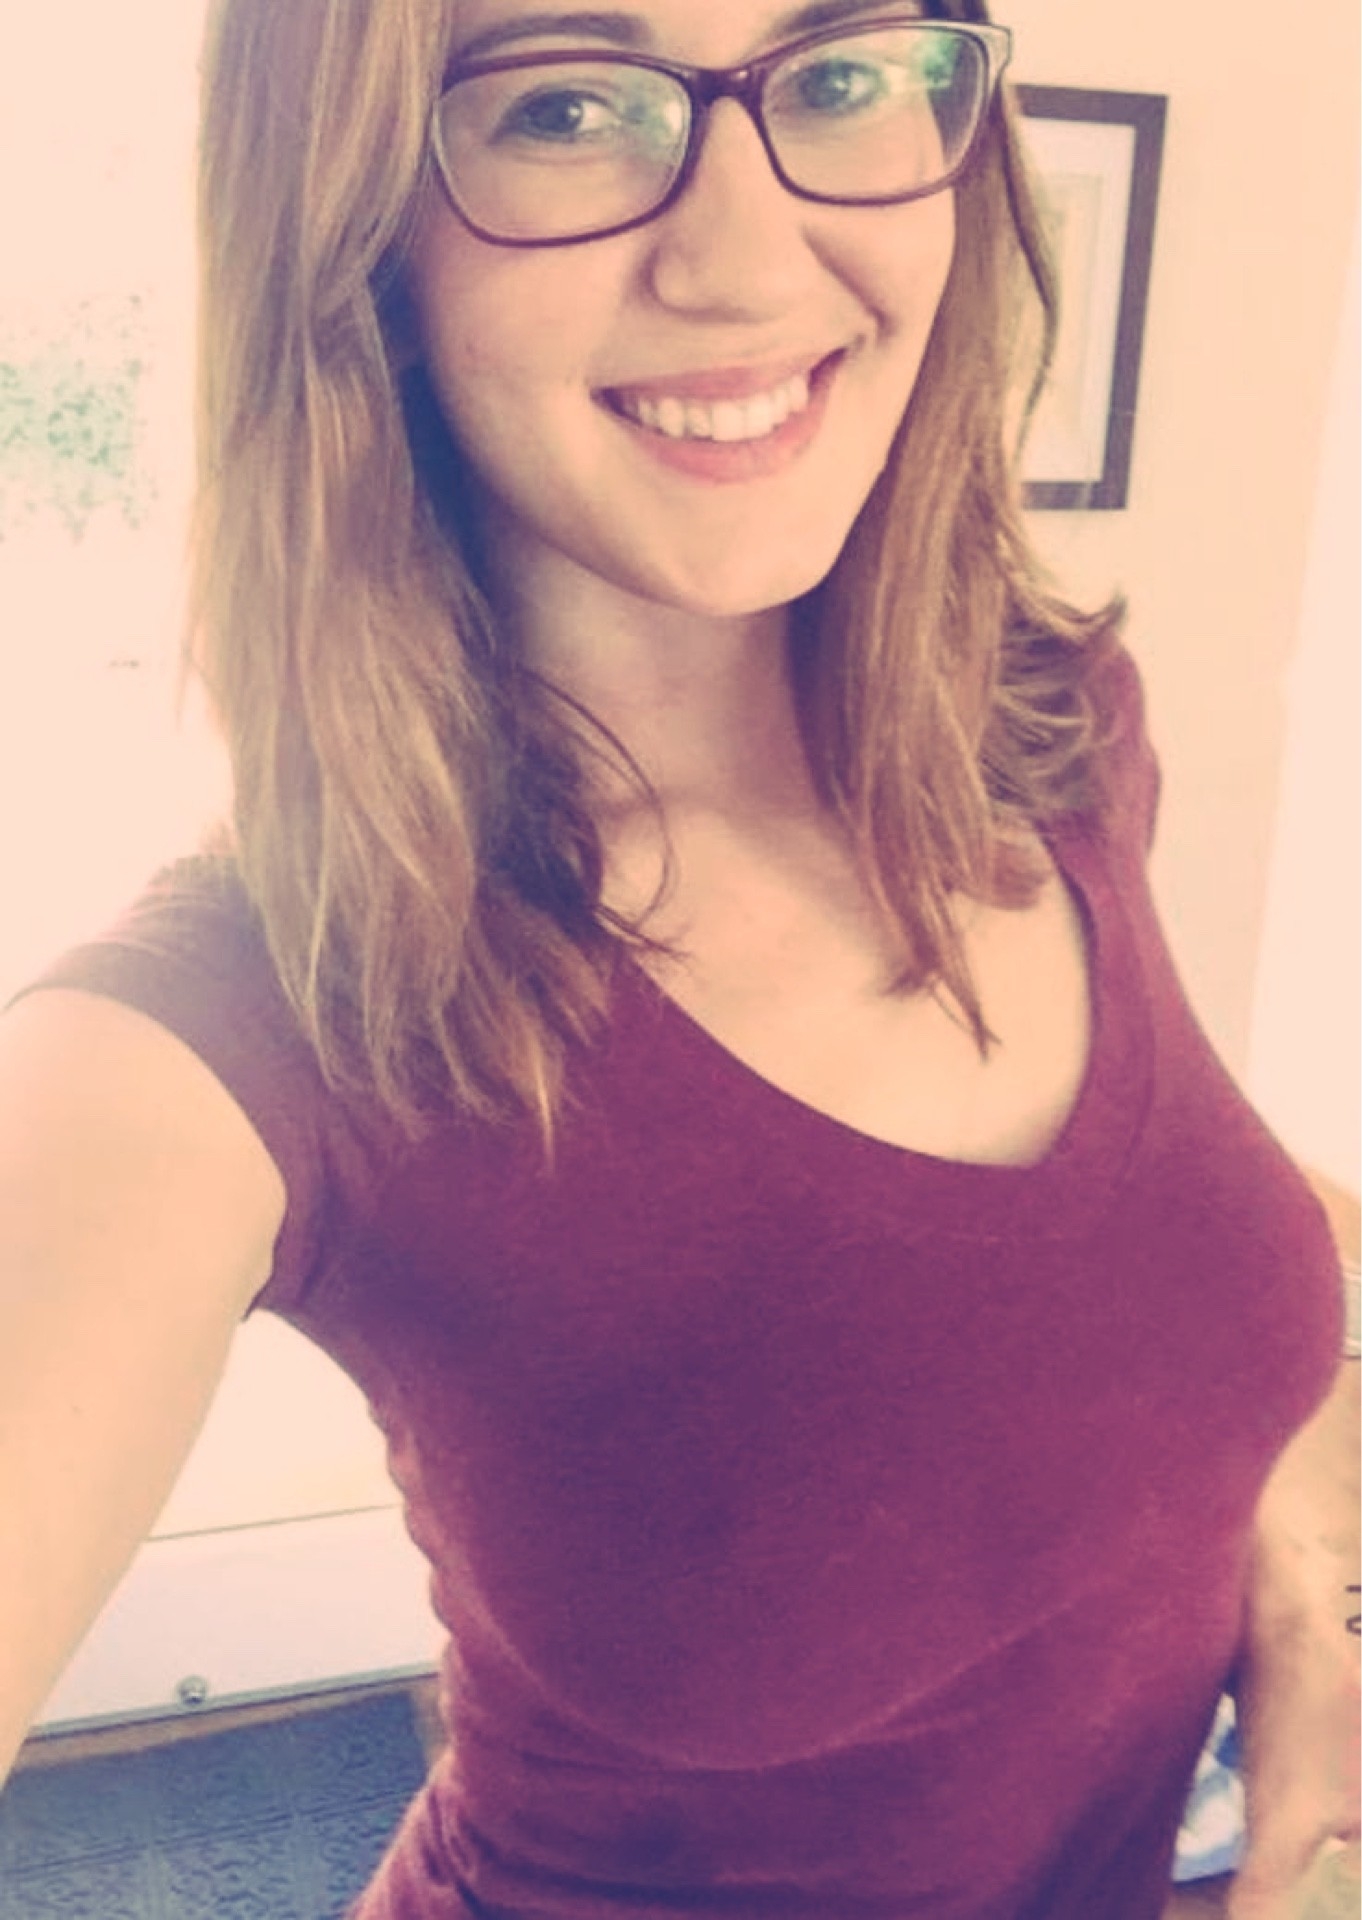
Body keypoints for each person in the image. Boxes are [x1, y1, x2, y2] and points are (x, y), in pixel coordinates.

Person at [0, 0, 1355, 1915]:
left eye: (839, 75)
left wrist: (1294, 1583)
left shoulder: (1044, 726)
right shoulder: (226, 1032)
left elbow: (1134, 1280)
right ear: (355, 224)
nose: (745, 258)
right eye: (565, 107)